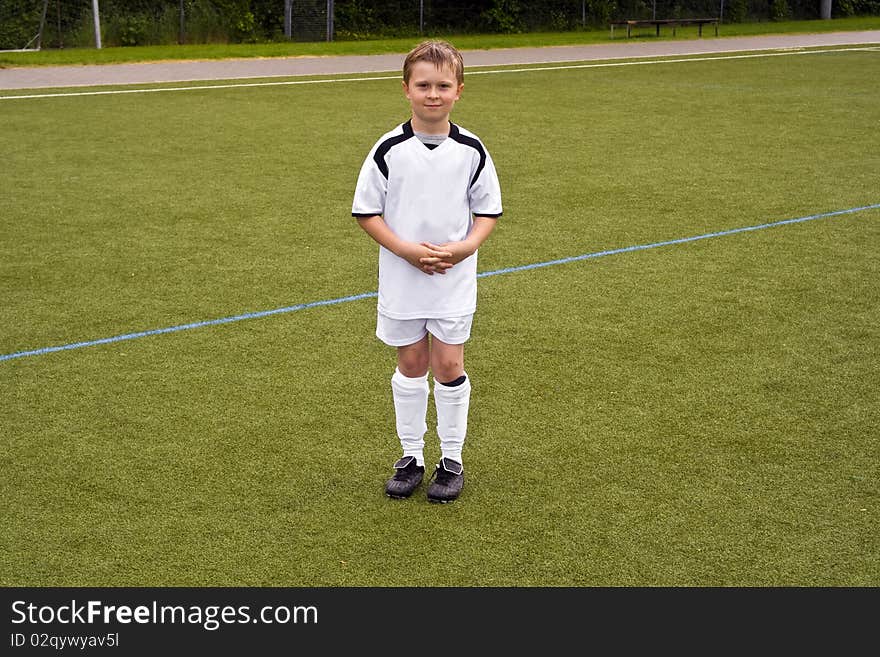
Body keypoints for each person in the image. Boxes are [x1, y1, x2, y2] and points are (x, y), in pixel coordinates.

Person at [351, 40, 502, 503]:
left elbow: (488, 211)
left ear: (459, 90)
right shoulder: (388, 149)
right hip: (403, 276)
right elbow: (366, 212)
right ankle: (411, 456)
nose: (432, 94)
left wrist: (462, 250)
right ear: (406, 89)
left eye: (442, 85)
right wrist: (407, 251)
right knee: (412, 363)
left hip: (452, 278)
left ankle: (451, 459)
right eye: (423, 85)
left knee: (449, 364)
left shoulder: (471, 149)